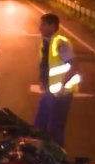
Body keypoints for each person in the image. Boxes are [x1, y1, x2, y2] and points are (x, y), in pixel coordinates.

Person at [33, 13, 81, 147]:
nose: (40, 28)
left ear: (52, 26)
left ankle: (60, 162)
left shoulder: (60, 43)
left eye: (43, 25)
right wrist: (41, 79)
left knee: (55, 130)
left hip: (61, 96)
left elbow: (74, 66)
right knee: (38, 127)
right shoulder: (45, 43)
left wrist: (61, 86)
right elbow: (46, 65)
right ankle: (41, 157)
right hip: (49, 93)